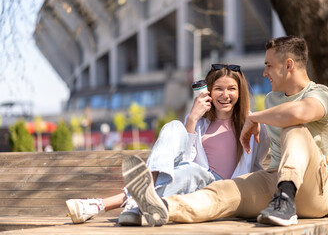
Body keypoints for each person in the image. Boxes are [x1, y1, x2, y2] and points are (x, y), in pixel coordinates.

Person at [122, 35, 328, 227]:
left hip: (315, 191)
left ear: (288, 65)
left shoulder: (320, 95)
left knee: (295, 130)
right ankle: (156, 208)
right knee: (222, 192)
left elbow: (299, 113)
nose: (264, 72)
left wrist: (254, 117)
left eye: (269, 65)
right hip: (272, 181)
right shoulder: (273, 99)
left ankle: (285, 197)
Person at [65, 64, 270, 225]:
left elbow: (259, 164)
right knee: (174, 127)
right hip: (189, 179)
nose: (225, 95)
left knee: (193, 171)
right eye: (219, 89)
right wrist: (191, 120)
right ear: (208, 91)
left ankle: (108, 204)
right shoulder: (198, 120)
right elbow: (184, 160)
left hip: (222, 192)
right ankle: (141, 197)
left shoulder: (252, 123)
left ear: (240, 92)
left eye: (231, 89)